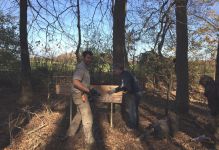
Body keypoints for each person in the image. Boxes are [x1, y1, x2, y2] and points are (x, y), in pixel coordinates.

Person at [67, 50, 96, 149]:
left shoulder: (86, 68)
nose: (89, 60)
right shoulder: (81, 67)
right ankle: (89, 140)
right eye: (88, 57)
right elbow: (75, 82)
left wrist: (91, 89)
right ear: (84, 58)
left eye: (91, 58)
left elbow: (83, 82)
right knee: (87, 115)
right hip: (79, 95)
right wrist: (88, 90)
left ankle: (70, 133)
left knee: (79, 114)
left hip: (81, 94)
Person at [108, 64, 140, 130]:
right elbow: (126, 86)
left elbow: (123, 86)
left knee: (131, 110)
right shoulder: (126, 74)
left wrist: (114, 90)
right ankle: (135, 126)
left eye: (115, 70)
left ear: (119, 70)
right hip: (136, 93)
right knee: (134, 110)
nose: (114, 72)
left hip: (133, 94)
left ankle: (132, 127)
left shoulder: (124, 75)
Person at [199, 75, 219, 149]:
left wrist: (214, 112)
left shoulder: (212, 87)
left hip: (216, 111)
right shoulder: (213, 86)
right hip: (214, 110)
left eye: (202, 84)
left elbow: (214, 99)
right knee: (213, 127)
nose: (202, 87)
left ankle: (216, 146)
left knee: (216, 128)